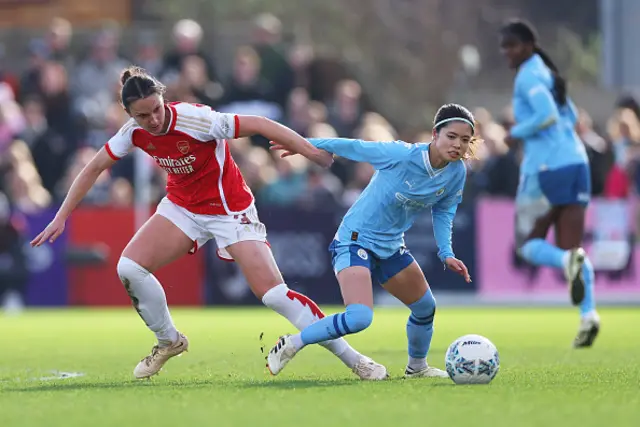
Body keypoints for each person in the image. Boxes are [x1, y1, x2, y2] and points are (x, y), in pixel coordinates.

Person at [31, 66, 387, 380]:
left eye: (156, 109)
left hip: (230, 209)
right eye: (142, 116)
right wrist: (62, 215)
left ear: (163, 99)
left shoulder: (196, 119)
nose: (153, 120)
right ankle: (168, 341)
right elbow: (93, 168)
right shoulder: (131, 133)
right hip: (183, 207)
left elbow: (259, 124)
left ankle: (355, 361)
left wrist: (309, 150)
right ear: (129, 114)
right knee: (129, 267)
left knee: (275, 296)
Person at [266, 103, 476, 378]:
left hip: (390, 246)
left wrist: (446, 252)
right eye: (452, 136)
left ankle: (417, 368)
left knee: (425, 308)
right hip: (354, 240)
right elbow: (355, 147)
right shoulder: (401, 155)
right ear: (435, 134)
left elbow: (444, 210)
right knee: (360, 317)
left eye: (465, 140)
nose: (457, 145)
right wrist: (305, 145)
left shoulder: (456, 172)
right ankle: (292, 343)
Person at [499, 19, 599, 347]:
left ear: (528, 46)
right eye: (504, 46)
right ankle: (588, 316)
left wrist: (516, 132)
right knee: (575, 251)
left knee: (527, 244)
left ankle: (565, 263)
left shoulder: (528, 75)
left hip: (546, 167)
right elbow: (568, 117)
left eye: (512, 45)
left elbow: (546, 115)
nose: (507, 52)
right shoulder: (550, 74)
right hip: (576, 162)